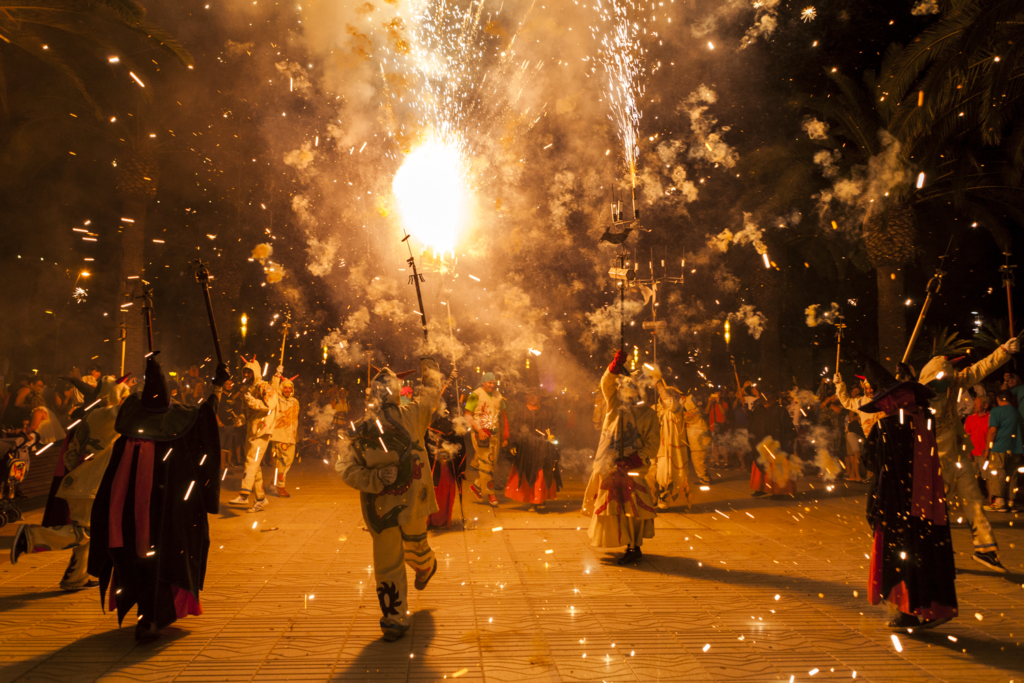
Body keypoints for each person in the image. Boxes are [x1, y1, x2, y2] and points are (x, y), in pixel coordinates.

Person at [88, 355, 227, 641]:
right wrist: (218, 388)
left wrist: (216, 388)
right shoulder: (176, 432)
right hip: (164, 518)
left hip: (132, 518)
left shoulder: (129, 435)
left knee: (142, 562)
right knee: (157, 562)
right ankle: (150, 618)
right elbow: (205, 422)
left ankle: (148, 616)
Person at [337, 359, 450, 642]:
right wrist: (374, 479)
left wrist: (430, 365)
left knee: (416, 544)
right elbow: (345, 467)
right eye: (382, 388)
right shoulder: (361, 428)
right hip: (380, 507)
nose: (387, 393)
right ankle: (394, 618)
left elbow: (430, 396)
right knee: (388, 563)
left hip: (413, 498)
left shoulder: (412, 414)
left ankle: (426, 565)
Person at [859, 357, 956, 632]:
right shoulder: (926, 419)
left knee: (901, 553)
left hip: (897, 504)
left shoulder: (885, 428)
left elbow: (872, 464)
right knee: (927, 551)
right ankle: (935, 606)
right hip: (929, 503)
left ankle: (909, 612)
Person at [10, 377, 130, 590]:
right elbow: (137, 408)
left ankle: (75, 578)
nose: (126, 399)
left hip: (84, 482)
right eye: (123, 395)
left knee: (87, 531)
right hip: (90, 485)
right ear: (115, 396)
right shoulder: (109, 415)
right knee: (86, 532)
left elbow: (72, 455)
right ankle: (30, 537)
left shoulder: (92, 415)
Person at [917, 338, 1019, 573]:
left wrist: (1003, 351)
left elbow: (980, 368)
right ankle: (932, 554)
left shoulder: (952, 382)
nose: (948, 383)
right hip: (935, 461)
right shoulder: (917, 398)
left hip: (958, 455)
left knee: (973, 502)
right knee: (936, 509)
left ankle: (985, 550)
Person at [581, 350, 659, 565]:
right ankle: (617, 539)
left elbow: (653, 445)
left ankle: (634, 546)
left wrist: (634, 460)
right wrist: (614, 366)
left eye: (631, 388)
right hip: (609, 466)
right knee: (610, 507)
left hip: (634, 470)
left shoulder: (649, 415)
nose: (626, 391)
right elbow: (606, 382)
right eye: (623, 387)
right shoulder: (614, 404)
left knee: (633, 510)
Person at [229, 358, 277, 512]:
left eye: (249, 372)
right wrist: (241, 419)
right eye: (245, 372)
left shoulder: (265, 386)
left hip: (262, 431)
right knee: (255, 466)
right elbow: (246, 411)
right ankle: (261, 499)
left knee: (251, 460)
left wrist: (253, 402)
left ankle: (244, 494)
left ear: (255, 372)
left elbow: (270, 405)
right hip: (251, 431)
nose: (247, 375)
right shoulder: (248, 390)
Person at [505, 387, 561, 509]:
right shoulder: (521, 411)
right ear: (526, 397)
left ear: (540, 398)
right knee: (529, 473)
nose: (532, 398)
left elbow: (554, 426)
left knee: (541, 473)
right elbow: (514, 428)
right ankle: (532, 500)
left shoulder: (547, 411)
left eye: (535, 396)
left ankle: (540, 499)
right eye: (529, 396)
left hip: (543, 446)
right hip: (526, 447)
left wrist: (552, 435)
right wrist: (513, 444)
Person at [464, 372, 508, 507]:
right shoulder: (474, 395)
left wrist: (504, 436)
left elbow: (503, 416)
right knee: (486, 465)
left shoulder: (498, 396)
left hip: (495, 434)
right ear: (483, 382)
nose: (492, 385)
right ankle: (490, 494)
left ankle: (477, 486)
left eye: (494, 383)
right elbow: (467, 416)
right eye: (490, 382)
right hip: (481, 435)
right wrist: (479, 430)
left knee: (491, 465)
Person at [426, 392, 468, 529]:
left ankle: (440, 520)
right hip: (430, 465)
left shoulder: (453, 423)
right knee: (430, 493)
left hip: (445, 465)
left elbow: (459, 444)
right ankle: (426, 521)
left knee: (443, 493)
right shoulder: (428, 420)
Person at [748, 389, 798, 497]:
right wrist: (748, 414)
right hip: (761, 444)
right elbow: (753, 424)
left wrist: (786, 443)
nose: (764, 403)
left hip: (776, 444)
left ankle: (779, 491)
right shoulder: (759, 410)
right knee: (760, 467)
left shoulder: (780, 410)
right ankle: (760, 488)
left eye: (766, 401)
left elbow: (787, 427)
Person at [648, 382, 689, 509]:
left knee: (665, 476)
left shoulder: (677, 410)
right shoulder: (655, 409)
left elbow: (671, 404)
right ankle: (652, 500)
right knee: (648, 474)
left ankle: (663, 502)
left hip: (667, 450)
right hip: (654, 447)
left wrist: (660, 386)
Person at [982, 390, 1022, 512]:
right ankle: (1011, 502)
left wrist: (987, 449)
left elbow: (993, 431)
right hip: (1016, 448)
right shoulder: (1017, 412)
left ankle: (999, 502)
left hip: (1000, 447)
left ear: (999, 399)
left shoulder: (996, 411)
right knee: (1012, 476)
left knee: (997, 474)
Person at [270, 369, 300, 497]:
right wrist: (276, 376)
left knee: (288, 462)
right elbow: (272, 391)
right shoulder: (277, 400)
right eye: (285, 388)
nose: (287, 390)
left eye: (289, 388)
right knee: (280, 462)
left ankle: (275, 482)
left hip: (291, 437)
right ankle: (280, 487)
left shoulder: (295, 401)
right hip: (279, 436)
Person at [963, 394, 991, 473]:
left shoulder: (991, 418)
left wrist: (988, 451)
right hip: (972, 453)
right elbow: (966, 437)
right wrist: (968, 452)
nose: (974, 405)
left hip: (985, 454)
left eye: (977, 403)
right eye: (974, 403)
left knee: (988, 477)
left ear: (985, 405)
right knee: (973, 478)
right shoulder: (970, 418)